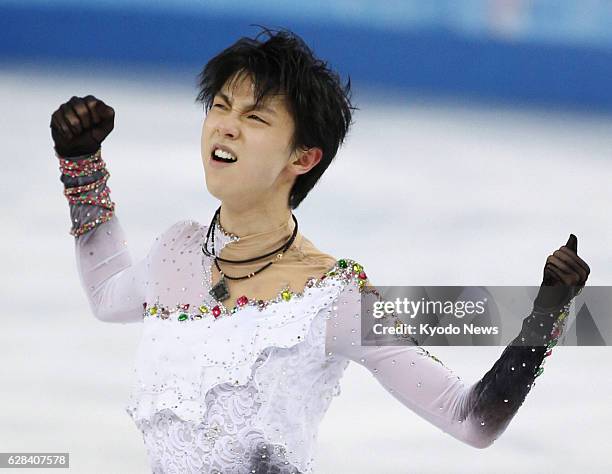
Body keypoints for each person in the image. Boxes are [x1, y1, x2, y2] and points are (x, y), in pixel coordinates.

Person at [50, 27, 590, 474]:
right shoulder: (176, 253)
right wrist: (81, 163)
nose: (226, 126)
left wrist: (547, 316)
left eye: (255, 118)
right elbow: (105, 294)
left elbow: (470, 419)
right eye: (220, 106)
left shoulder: (330, 298)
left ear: (303, 159)